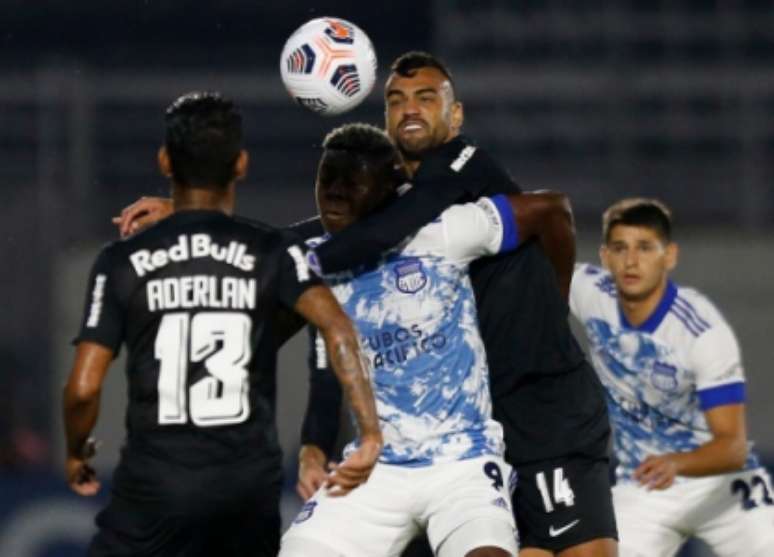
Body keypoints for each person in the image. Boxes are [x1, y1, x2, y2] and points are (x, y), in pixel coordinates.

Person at [111, 52, 617, 557]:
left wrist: (551, 301)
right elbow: (342, 231)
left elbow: (551, 213)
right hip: (468, 422)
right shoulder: (398, 202)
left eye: (426, 97)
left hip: (542, 403)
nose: (410, 109)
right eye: (396, 100)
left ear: (456, 115)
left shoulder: (464, 168)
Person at [63, 92, 382, 557]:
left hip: (156, 488)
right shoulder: (276, 254)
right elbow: (338, 331)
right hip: (245, 493)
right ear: (241, 165)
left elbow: (84, 388)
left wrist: (75, 451)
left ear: (165, 161)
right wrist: (370, 433)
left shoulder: (123, 262)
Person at [281, 122, 580, 557]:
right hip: (374, 469)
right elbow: (322, 363)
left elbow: (550, 209)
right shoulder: (314, 260)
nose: (334, 194)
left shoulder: (443, 232)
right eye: (326, 180)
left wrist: (556, 307)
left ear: (387, 190)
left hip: (462, 462)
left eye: (351, 182)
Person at [569, 198, 774, 557]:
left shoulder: (701, 332)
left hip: (718, 485)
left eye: (645, 248)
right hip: (644, 484)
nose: (631, 261)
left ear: (670, 256)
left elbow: (732, 447)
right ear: (604, 257)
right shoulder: (588, 292)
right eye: (620, 248)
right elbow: (533, 256)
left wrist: (676, 463)